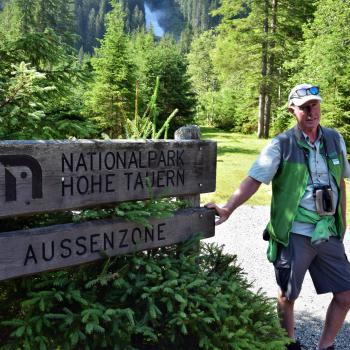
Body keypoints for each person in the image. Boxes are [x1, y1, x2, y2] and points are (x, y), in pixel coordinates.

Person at [206, 83, 350, 350]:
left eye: (315, 105)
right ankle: (289, 344)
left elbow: (341, 182)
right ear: (292, 110)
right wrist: (229, 207)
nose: (311, 112)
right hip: (294, 232)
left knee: (345, 294)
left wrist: (342, 226)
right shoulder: (281, 144)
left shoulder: (334, 139)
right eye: (304, 107)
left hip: (327, 231)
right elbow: (254, 179)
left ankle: (326, 346)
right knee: (288, 294)